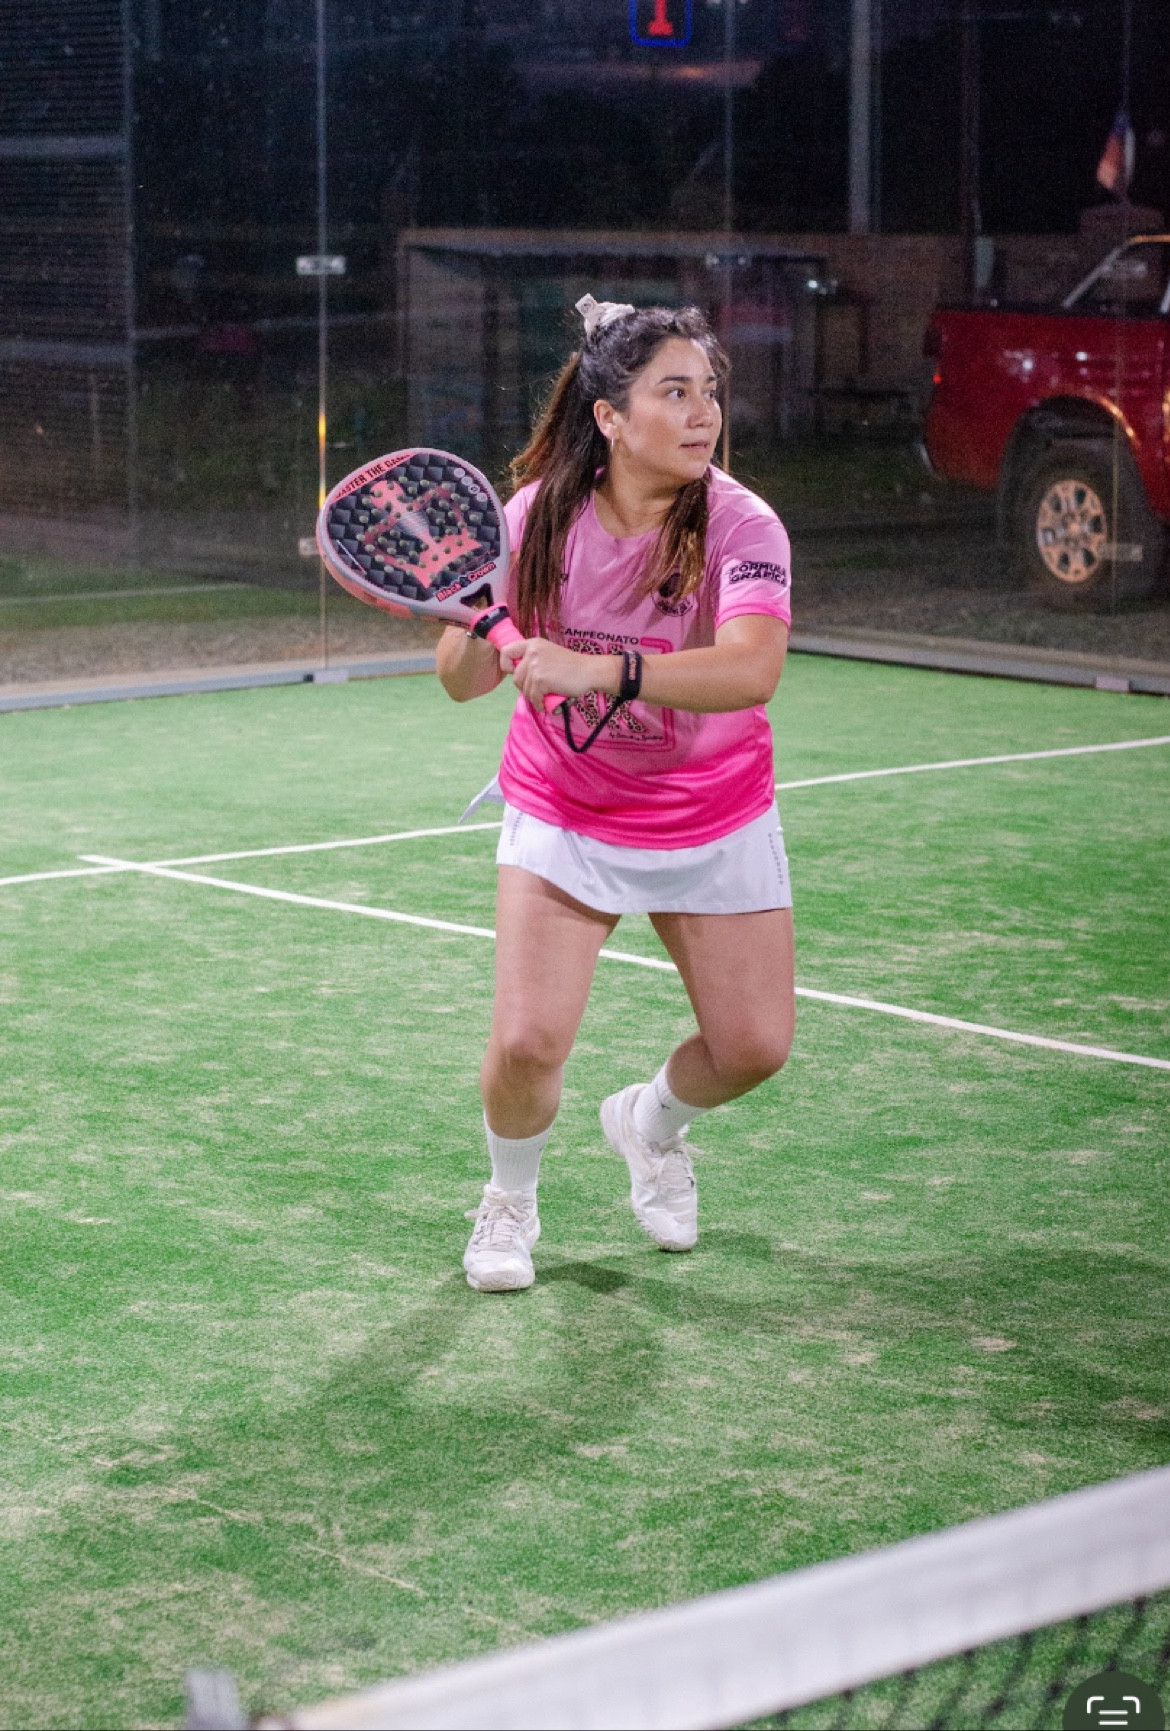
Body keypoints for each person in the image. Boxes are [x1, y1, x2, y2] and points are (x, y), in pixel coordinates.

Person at [436, 295, 795, 1293]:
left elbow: (752, 669)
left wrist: (601, 670)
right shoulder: (535, 517)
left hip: (711, 813)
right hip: (567, 807)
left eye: (708, 391)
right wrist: (480, 621)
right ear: (609, 417)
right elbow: (462, 681)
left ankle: (649, 1123)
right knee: (528, 1039)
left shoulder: (743, 524)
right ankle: (510, 1199)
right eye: (674, 392)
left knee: (754, 1046)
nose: (702, 412)